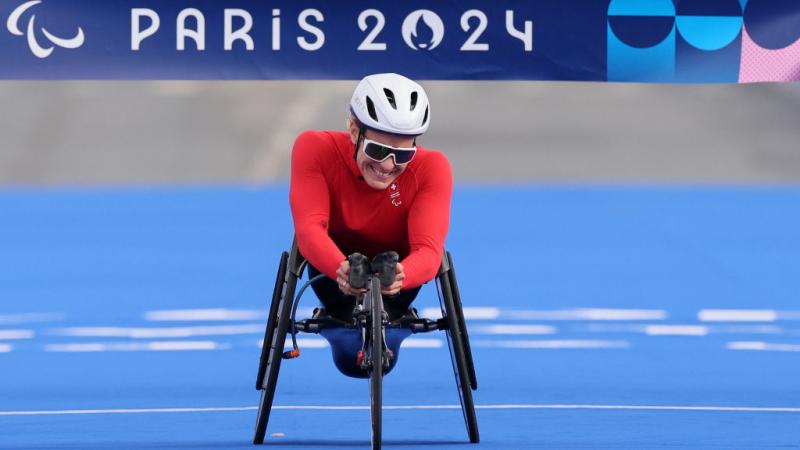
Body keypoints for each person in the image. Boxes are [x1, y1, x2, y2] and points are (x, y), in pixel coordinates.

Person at [289, 73, 453, 377]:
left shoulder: (433, 167)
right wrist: (340, 269)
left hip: (397, 280)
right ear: (354, 130)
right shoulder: (314, 147)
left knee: (376, 351)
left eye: (402, 154)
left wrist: (403, 275)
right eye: (377, 150)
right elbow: (309, 230)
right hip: (333, 274)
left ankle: (388, 319)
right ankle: (346, 324)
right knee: (350, 358)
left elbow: (429, 250)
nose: (388, 165)